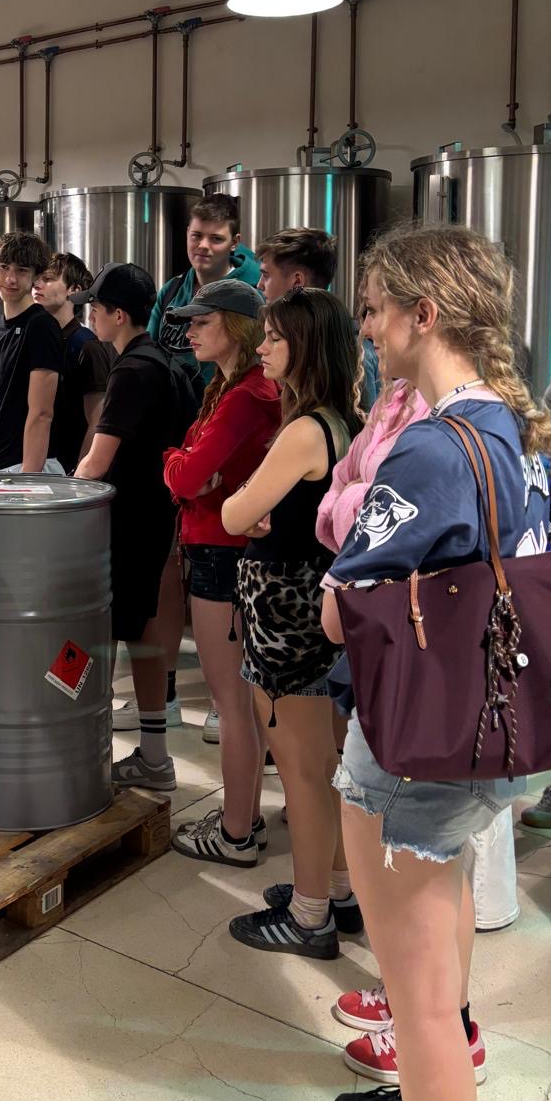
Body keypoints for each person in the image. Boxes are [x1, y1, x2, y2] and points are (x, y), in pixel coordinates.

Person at [323, 224, 551, 1101]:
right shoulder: (515, 429)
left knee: (415, 1009)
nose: (367, 330)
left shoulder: (427, 450)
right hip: (492, 728)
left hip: (413, 752)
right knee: (444, 924)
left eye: (378, 311)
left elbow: (340, 611)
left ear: (425, 315)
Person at [218, 287, 360, 959]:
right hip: (318, 605)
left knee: (303, 772)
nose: (264, 347)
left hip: (286, 617)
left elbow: (233, 514)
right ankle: (337, 889)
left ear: (305, 347)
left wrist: (245, 502)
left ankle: (309, 916)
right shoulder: (344, 422)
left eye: (275, 337)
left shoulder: (304, 431)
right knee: (324, 764)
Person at [161, 280, 280, 864]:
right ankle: (245, 818)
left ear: (235, 327)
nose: (190, 332)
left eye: (201, 321)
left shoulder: (244, 397)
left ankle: (235, 835)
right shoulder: (235, 388)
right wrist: (185, 467)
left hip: (220, 552)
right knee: (243, 702)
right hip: (230, 549)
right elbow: (190, 470)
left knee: (232, 702)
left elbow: (187, 477)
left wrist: (176, 464)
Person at [72, 264, 198, 791]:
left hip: (126, 523)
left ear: (118, 314)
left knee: (91, 631)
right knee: (141, 634)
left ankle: (80, 748)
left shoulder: (132, 370)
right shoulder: (164, 362)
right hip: (155, 520)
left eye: (95, 307)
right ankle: (154, 753)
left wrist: (55, 500)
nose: (90, 316)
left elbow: (96, 462)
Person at [0, 231, 61, 473]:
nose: (11, 278)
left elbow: (41, 414)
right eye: (4, 267)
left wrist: (28, 480)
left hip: (27, 467)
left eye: (22, 270)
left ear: (36, 275)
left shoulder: (41, 326)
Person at [148, 195, 262, 395]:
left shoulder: (255, 295)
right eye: (197, 235)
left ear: (234, 242)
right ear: (187, 233)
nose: (203, 245)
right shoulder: (171, 290)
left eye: (216, 238)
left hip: (230, 405)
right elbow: (150, 353)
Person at [257, 226, 380, 407]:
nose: (259, 285)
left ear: (297, 282)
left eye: (266, 275)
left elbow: (361, 421)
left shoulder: (352, 350)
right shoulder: (300, 341)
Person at [34, 251, 113, 474]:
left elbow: (97, 421)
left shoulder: (86, 345)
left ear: (74, 290)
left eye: (48, 279)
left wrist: (78, 477)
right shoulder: (40, 341)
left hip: (66, 471)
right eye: (37, 278)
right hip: (36, 466)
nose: (37, 284)